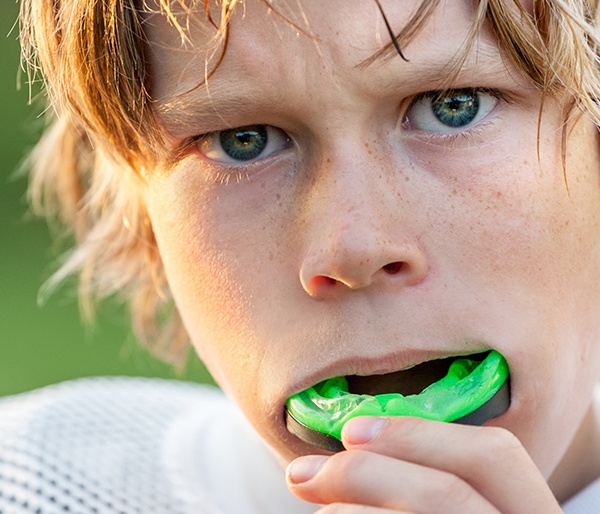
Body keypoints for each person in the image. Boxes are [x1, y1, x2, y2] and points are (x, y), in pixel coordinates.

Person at [3, 0, 600, 512]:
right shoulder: (33, 484)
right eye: (245, 141)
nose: (353, 248)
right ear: (143, 218)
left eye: (453, 104)